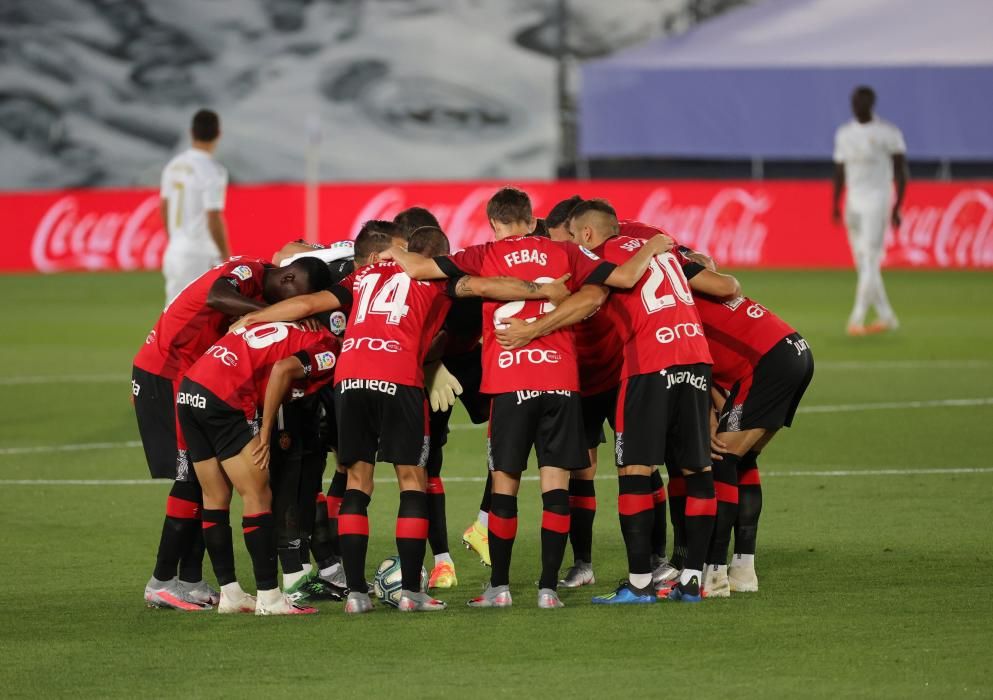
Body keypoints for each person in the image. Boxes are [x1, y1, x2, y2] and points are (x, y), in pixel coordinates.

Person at [233, 225, 563, 613]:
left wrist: (254, 319)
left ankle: (356, 594)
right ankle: (411, 592)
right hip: (399, 376)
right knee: (412, 481)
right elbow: (492, 286)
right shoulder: (437, 278)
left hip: (351, 377)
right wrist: (543, 290)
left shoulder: (364, 274)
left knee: (357, 481)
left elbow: (308, 305)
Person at [383, 187, 672, 609]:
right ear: (532, 217)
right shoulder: (565, 253)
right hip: (561, 381)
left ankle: (499, 588)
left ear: (495, 223)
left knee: (505, 486)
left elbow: (420, 270)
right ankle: (548, 589)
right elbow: (622, 279)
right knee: (556, 485)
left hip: (509, 380)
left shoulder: (483, 252)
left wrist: (394, 254)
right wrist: (652, 247)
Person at [495, 199, 739, 604]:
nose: (572, 244)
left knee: (634, 470)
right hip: (695, 359)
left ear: (587, 234)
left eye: (574, 236)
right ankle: (694, 578)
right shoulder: (661, 253)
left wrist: (531, 330)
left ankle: (640, 582)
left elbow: (592, 299)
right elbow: (720, 282)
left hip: (649, 364)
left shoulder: (604, 256)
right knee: (697, 469)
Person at [134, 256, 331, 610]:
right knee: (215, 486)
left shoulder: (264, 297)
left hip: (195, 377)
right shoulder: (248, 275)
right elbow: (216, 296)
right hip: (168, 372)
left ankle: (203, 584)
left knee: (207, 488)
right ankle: (164, 580)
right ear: (287, 278)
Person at [178, 319, 341, 615]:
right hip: (224, 395)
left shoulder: (293, 329)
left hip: (191, 389)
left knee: (214, 497)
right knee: (258, 495)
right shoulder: (330, 349)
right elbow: (281, 371)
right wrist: (265, 431)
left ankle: (231, 595)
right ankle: (270, 598)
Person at [686, 252, 814, 596]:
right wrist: (717, 411)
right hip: (792, 349)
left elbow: (694, 365)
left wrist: (711, 418)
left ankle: (713, 575)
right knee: (743, 457)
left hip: (768, 364)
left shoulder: (679, 306)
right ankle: (743, 569)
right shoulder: (701, 290)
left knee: (722, 457)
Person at [832, 86, 908, 336]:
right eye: (854, 101)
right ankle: (887, 317)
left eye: (861, 101)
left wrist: (897, 206)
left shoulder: (888, 133)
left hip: (878, 200)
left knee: (870, 260)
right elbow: (840, 171)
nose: (857, 106)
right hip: (853, 202)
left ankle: (857, 319)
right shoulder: (844, 134)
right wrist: (835, 203)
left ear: (870, 104)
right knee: (863, 263)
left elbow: (901, 171)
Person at [160, 109, 230, 303]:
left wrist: (174, 240)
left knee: (172, 315)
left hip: (174, 252)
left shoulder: (173, 166)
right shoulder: (213, 171)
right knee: (200, 316)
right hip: (199, 254)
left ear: (191, 132)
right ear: (218, 134)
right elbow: (213, 216)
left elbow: (164, 207)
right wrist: (225, 254)